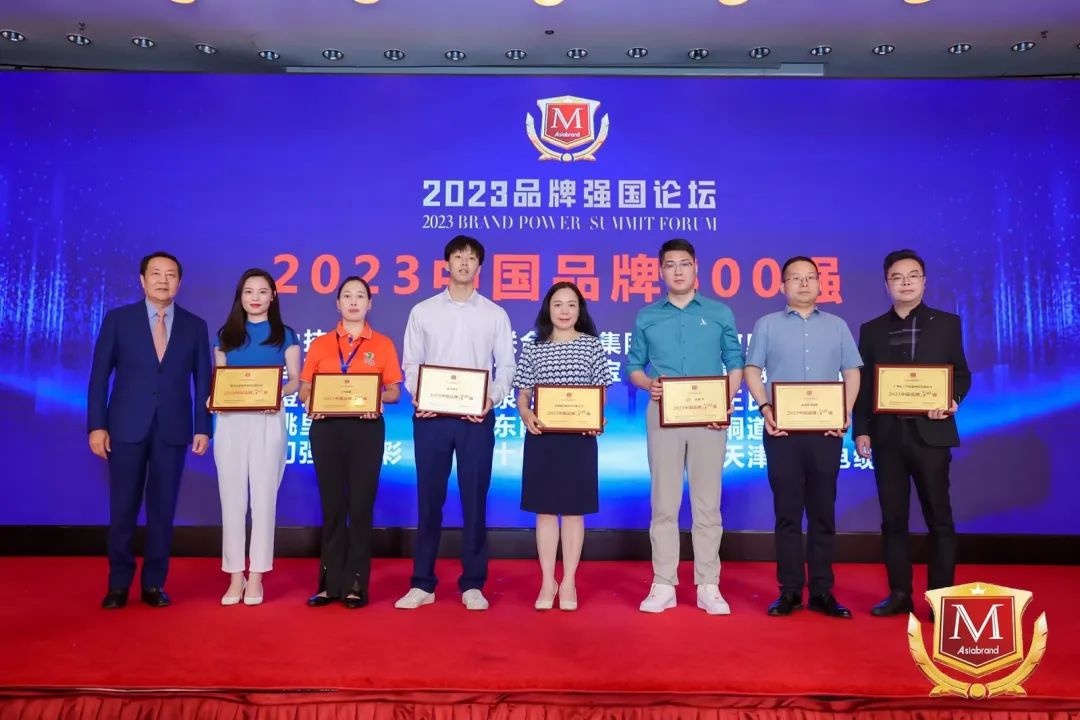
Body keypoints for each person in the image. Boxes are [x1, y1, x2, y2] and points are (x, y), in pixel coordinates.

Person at [395, 235, 515, 611]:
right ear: (446, 264)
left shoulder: (494, 314)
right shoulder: (423, 311)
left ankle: (473, 584)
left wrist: (491, 398)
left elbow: (506, 366)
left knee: (475, 499)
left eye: (471, 258)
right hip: (431, 418)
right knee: (429, 499)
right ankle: (422, 583)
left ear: (480, 267)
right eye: (458, 257)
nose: (464, 263)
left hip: (476, 419)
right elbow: (411, 362)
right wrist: (420, 395)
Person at [627, 239, 745, 615]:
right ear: (660, 271)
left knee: (707, 503)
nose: (677, 271)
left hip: (709, 416)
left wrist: (724, 399)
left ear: (696, 267)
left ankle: (708, 584)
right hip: (664, 414)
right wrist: (649, 384)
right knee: (664, 502)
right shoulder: (647, 316)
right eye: (670, 265)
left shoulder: (719, 312)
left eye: (684, 264)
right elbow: (633, 367)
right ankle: (664, 583)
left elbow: (735, 362)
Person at [88, 251, 212, 609]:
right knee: (122, 508)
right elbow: (99, 377)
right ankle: (118, 584)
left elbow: (203, 381)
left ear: (179, 282)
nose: (163, 280)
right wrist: (97, 425)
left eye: (170, 274)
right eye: (156, 274)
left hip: (172, 429)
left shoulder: (194, 325)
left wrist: (203, 428)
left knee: (162, 510)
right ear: (142, 280)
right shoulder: (118, 320)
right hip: (125, 427)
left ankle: (154, 584)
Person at [853, 249, 972, 618]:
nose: (905, 282)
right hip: (887, 437)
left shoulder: (947, 324)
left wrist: (951, 400)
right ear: (886, 284)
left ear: (924, 281)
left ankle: (940, 599)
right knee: (893, 520)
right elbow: (864, 385)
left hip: (931, 434)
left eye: (913, 275)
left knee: (940, 519)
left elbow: (961, 374)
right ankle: (899, 594)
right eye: (897, 277)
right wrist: (861, 431)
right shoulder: (871, 330)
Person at [744, 256, 862, 619]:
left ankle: (823, 590)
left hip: (826, 431)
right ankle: (790, 590)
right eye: (795, 278)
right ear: (783, 286)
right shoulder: (767, 325)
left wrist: (845, 412)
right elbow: (752, 369)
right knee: (788, 513)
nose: (804, 283)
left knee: (823, 512)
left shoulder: (837, 326)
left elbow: (852, 371)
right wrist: (765, 407)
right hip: (782, 431)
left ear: (820, 283)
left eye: (810, 277)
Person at [299, 276, 402, 609]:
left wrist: (377, 399)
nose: (354, 301)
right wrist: (309, 401)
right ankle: (328, 584)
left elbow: (394, 391)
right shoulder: (320, 344)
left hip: (366, 429)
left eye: (360, 296)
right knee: (332, 507)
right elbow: (304, 387)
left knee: (360, 506)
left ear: (370, 304)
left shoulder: (382, 344)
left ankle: (356, 583)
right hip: (326, 429)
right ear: (338, 303)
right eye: (347, 296)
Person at [514, 282, 611, 611]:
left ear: (579, 310)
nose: (565, 311)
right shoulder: (534, 347)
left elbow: (600, 391)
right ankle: (547, 580)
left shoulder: (592, 346)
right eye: (558, 304)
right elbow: (523, 394)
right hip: (542, 437)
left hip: (579, 439)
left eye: (571, 304)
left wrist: (596, 416)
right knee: (544, 511)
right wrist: (526, 413)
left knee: (572, 511)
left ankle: (568, 580)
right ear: (548, 309)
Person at [212, 269, 300, 606]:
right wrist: (214, 397)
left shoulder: (285, 335)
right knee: (231, 500)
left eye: (263, 291)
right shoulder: (226, 335)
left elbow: (296, 380)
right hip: (230, 422)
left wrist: (276, 394)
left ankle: (258, 576)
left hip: (268, 420)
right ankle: (235, 575)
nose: (255, 297)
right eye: (249, 291)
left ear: (273, 296)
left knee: (263, 501)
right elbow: (220, 379)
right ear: (240, 296)